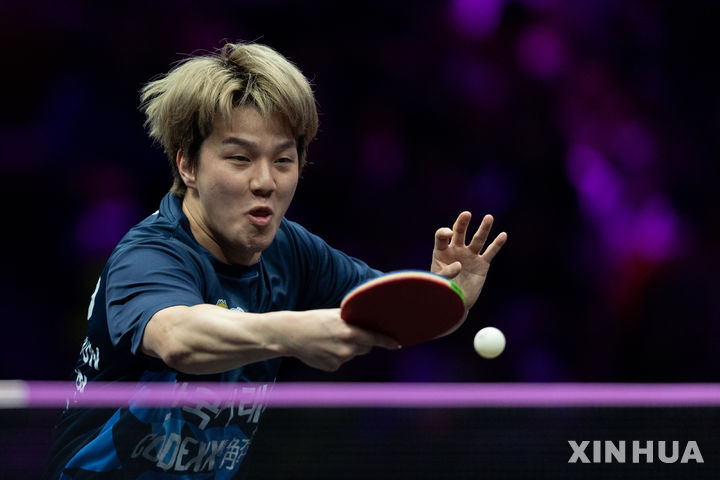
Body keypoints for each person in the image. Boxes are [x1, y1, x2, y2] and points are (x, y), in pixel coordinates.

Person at [44, 41, 507, 478]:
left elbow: (387, 316)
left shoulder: (291, 251)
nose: (265, 182)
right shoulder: (149, 254)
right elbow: (177, 338)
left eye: (283, 161)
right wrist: (293, 333)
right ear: (188, 166)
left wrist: (446, 296)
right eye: (240, 158)